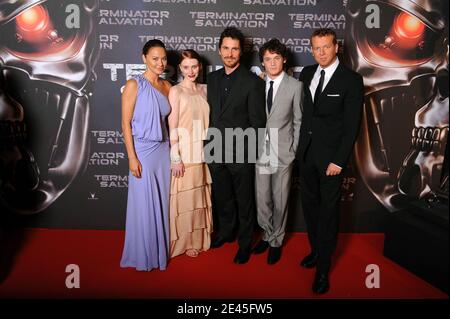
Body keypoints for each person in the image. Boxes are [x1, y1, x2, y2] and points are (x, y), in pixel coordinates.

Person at [296, 28, 364, 293]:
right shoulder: (307, 73)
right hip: (307, 155)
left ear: (336, 47)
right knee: (310, 208)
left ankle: (323, 269)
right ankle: (315, 251)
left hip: (331, 162)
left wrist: (339, 160)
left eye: (325, 47)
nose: (321, 52)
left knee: (328, 214)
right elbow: (306, 117)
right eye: (316, 48)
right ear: (311, 49)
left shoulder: (351, 80)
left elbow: (351, 126)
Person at [206, 27, 266, 264]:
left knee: (244, 200)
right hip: (214, 149)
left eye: (235, 49)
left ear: (241, 52)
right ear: (219, 50)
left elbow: (257, 123)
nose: (230, 53)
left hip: (240, 152)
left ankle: (244, 243)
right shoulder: (211, 79)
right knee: (223, 197)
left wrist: (247, 154)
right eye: (226, 48)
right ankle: (226, 232)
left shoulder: (252, 82)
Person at [120, 39, 172, 271]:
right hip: (142, 151)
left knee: (163, 202)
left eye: (163, 59)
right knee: (144, 205)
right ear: (144, 58)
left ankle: (161, 250)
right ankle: (143, 255)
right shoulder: (134, 85)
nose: (160, 63)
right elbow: (125, 123)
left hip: (164, 151)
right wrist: (132, 157)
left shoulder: (168, 87)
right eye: (155, 58)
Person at [253, 39, 303, 265]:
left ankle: (276, 241)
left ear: (284, 59)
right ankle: (266, 233)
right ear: (262, 62)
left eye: (276, 58)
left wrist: (293, 151)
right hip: (261, 151)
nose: (272, 63)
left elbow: (299, 121)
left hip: (283, 152)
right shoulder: (257, 84)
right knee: (262, 198)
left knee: (280, 199)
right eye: (267, 59)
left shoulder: (295, 86)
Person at [168, 50, 213, 258]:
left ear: (200, 67)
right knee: (186, 201)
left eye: (194, 66)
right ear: (180, 68)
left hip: (202, 151)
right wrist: (175, 157)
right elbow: (173, 126)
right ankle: (184, 242)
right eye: (186, 67)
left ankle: (197, 239)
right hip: (185, 153)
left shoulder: (205, 90)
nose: (191, 71)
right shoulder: (176, 91)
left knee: (198, 199)